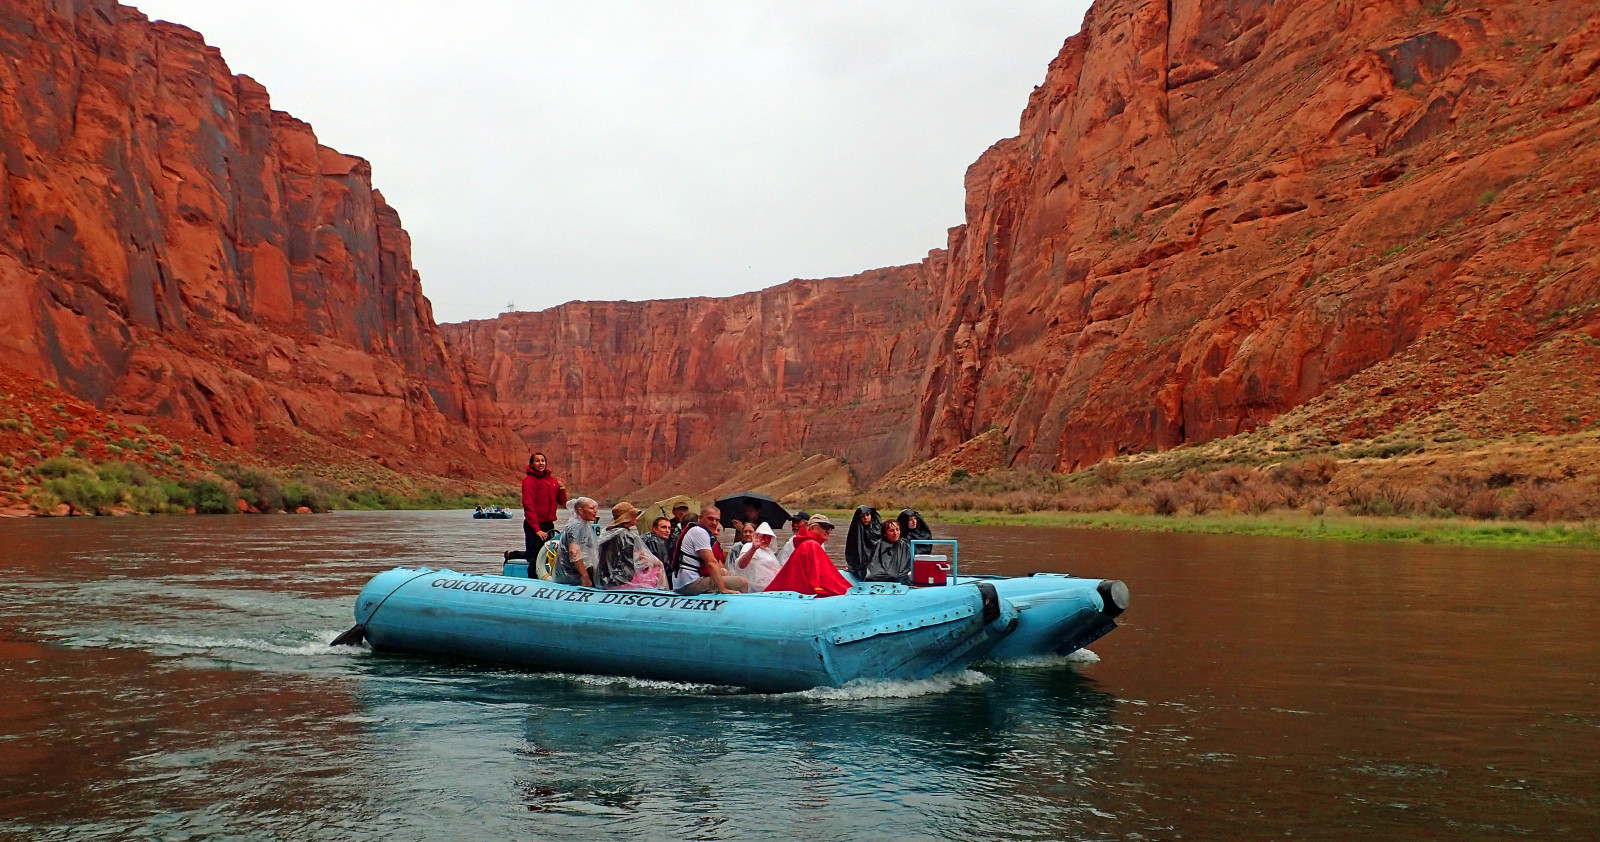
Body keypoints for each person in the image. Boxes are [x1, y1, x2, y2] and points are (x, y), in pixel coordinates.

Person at [671, 505, 749, 595]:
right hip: (690, 584)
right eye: (710, 519)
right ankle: (740, 607)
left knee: (723, 572)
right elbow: (711, 563)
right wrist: (723, 589)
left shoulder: (694, 530)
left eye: (717, 520)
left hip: (681, 582)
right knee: (741, 583)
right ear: (700, 518)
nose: (714, 523)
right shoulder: (700, 532)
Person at [764, 515, 850, 597]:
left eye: (830, 528)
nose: (828, 531)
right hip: (802, 594)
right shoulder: (811, 545)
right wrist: (847, 590)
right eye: (825, 527)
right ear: (812, 528)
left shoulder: (806, 544)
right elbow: (816, 581)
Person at [596, 502, 666, 589]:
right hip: (622, 580)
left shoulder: (607, 533)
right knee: (658, 566)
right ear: (628, 517)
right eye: (634, 515)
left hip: (605, 579)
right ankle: (663, 592)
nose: (636, 517)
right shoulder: (626, 536)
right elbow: (631, 560)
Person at [516, 453, 568, 560]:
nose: (541, 463)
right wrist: (536, 529)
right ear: (531, 464)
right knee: (535, 559)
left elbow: (562, 501)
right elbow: (528, 505)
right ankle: (531, 575)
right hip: (535, 526)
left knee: (548, 556)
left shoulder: (551, 481)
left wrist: (561, 487)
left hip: (549, 525)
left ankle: (513, 555)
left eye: (543, 460)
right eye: (537, 461)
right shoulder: (529, 481)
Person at [554, 497, 600, 587]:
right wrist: (585, 577)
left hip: (576, 572)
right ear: (580, 511)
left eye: (595, 508)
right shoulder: (576, 525)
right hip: (571, 575)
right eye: (591, 508)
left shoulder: (584, 524)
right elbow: (574, 552)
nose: (595, 511)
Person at [732, 522, 783, 592]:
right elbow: (741, 565)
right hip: (756, 590)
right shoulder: (749, 546)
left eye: (769, 538)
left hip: (771, 588)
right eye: (763, 536)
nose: (766, 540)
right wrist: (753, 549)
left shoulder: (769, 552)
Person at [863, 519, 913, 584]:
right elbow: (872, 564)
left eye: (897, 530)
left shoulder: (904, 545)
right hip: (880, 575)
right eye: (892, 531)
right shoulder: (877, 545)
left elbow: (908, 565)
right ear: (885, 534)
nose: (895, 533)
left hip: (899, 576)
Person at [845, 505, 883, 580]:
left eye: (867, 515)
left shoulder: (878, 529)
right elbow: (852, 551)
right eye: (863, 516)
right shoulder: (855, 531)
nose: (865, 518)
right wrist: (852, 566)